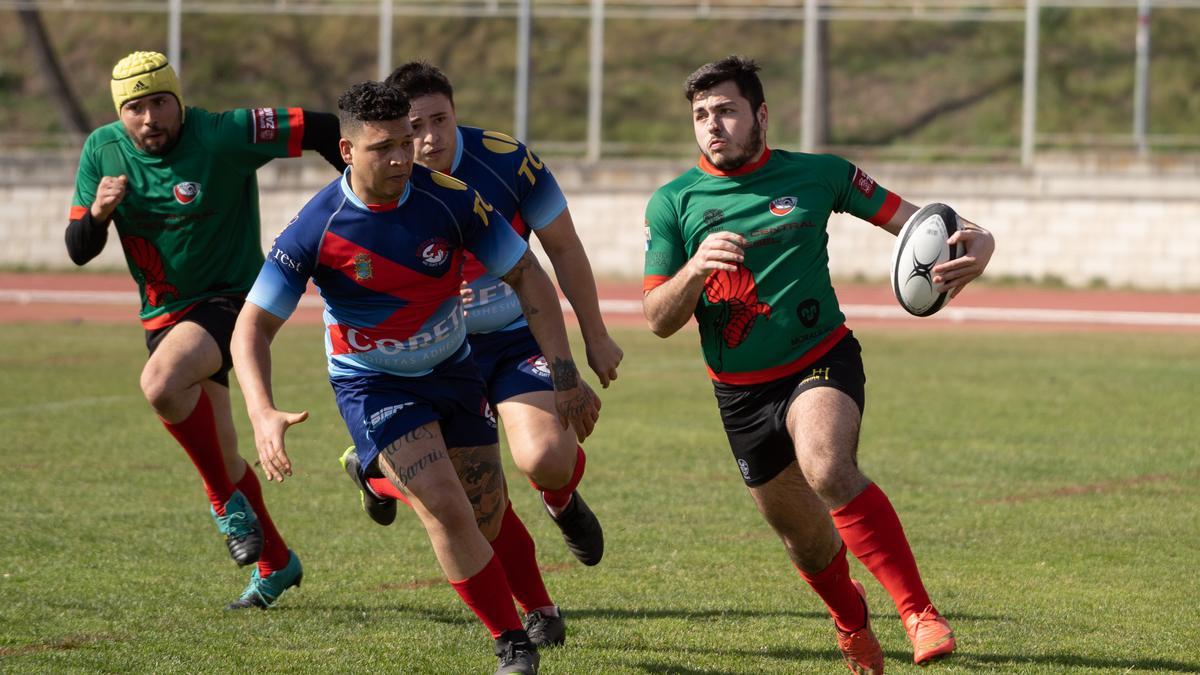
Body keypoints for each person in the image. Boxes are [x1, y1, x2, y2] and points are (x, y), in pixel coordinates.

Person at [231, 81, 600, 675]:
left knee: (486, 510)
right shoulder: (315, 228)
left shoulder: (451, 199)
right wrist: (261, 411)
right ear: (347, 151)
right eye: (384, 148)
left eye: (406, 142)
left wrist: (564, 374)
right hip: (375, 384)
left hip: (454, 369)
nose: (404, 157)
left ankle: (378, 476)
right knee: (446, 507)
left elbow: (530, 276)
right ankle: (512, 641)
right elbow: (251, 327)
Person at [642, 56, 995, 674]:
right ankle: (850, 621)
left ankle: (919, 613)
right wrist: (694, 270)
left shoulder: (820, 174)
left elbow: (923, 224)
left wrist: (980, 240)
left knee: (828, 466)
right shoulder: (673, 203)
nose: (712, 125)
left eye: (725, 110)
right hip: (740, 394)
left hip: (819, 358)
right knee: (805, 541)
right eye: (701, 115)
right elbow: (657, 317)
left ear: (761, 115)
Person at [65, 50, 344, 609]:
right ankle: (276, 562)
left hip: (232, 303)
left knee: (162, 385)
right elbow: (78, 249)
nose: (150, 119)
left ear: (180, 101)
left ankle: (221, 502)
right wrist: (96, 215)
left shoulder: (224, 133)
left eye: (160, 103)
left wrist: (364, 201)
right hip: (164, 317)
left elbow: (325, 129)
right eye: (136, 108)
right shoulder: (102, 149)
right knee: (225, 453)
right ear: (121, 114)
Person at [340, 62, 620, 581]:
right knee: (463, 493)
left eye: (438, 120)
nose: (427, 139)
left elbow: (563, 247)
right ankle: (377, 471)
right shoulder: (384, 185)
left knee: (546, 459)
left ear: (455, 113)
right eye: (413, 128)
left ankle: (560, 500)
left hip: (515, 340)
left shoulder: (506, 161)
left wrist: (595, 336)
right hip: (438, 357)